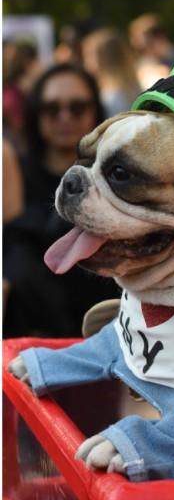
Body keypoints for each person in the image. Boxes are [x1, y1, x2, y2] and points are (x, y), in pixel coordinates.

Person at [3, 63, 120, 339]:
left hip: (104, 335)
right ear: (36, 113)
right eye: (52, 109)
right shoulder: (11, 171)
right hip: (24, 342)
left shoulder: (118, 180)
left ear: (95, 111)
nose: (64, 117)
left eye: (77, 107)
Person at [81, 28, 142, 116]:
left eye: (88, 57)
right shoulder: (135, 89)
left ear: (102, 60)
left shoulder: (109, 99)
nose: (86, 64)